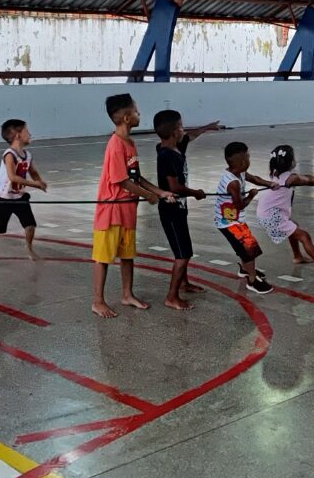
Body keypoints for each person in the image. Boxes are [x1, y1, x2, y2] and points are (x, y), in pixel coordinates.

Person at [92, 93, 175, 318]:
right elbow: (122, 181)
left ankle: (127, 294)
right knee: (104, 257)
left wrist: (159, 192)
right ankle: (97, 301)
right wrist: (148, 196)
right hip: (111, 211)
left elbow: (135, 177)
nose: (140, 114)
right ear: (127, 118)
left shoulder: (130, 143)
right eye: (136, 111)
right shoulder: (115, 145)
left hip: (128, 210)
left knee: (127, 255)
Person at [154, 110, 221, 311]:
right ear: (175, 132)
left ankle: (184, 283)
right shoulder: (167, 156)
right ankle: (171, 296)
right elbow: (173, 187)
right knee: (182, 254)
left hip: (179, 209)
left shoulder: (173, 146)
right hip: (171, 211)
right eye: (181, 126)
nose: (185, 130)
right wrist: (195, 192)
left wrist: (207, 128)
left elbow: (190, 135)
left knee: (184, 250)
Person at [0, 118, 47, 273]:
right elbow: (13, 177)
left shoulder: (27, 155)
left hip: (20, 197)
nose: (30, 133)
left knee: (30, 225)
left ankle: (29, 248)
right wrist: (35, 185)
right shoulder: (9, 154)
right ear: (17, 135)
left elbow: (32, 172)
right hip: (4, 199)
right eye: (26, 131)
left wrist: (39, 181)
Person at [255, 144, 314, 274]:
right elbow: (307, 180)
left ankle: (298, 257)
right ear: (290, 162)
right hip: (271, 215)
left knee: (294, 226)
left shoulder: (276, 173)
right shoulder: (291, 178)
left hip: (267, 211)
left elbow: (303, 177)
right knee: (304, 236)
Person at [214, 141, 274, 294]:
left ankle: (244, 269)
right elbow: (239, 205)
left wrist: (270, 184)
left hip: (234, 220)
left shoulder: (238, 172)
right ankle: (252, 280)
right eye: (248, 156)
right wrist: (251, 196)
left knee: (244, 247)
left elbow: (254, 178)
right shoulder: (232, 183)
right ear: (242, 161)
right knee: (249, 249)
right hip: (229, 222)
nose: (249, 159)